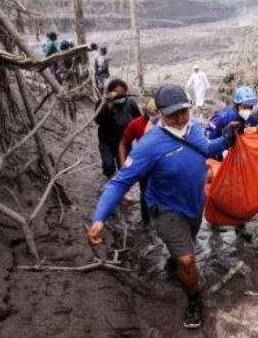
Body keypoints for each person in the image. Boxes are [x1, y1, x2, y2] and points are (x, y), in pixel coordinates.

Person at [88, 84, 237, 329]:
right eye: (172, 114)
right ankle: (193, 300)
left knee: (183, 248)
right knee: (188, 260)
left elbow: (207, 149)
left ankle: (174, 259)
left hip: (194, 205)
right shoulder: (149, 145)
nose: (179, 118)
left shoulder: (195, 128)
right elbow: (119, 182)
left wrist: (227, 139)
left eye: (183, 112)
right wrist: (99, 218)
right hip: (166, 210)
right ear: (160, 113)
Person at [205, 85, 258, 239]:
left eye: (250, 106)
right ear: (236, 105)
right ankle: (214, 222)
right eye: (245, 106)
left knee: (240, 194)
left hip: (240, 163)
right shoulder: (222, 118)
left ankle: (240, 225)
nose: (248, 109)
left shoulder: (252, 120)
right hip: (219, 162)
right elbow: (207, 140)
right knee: (217, 192)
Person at [117, 98, 159, 225]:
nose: (155, 117)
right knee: (145, 193)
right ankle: (146, 221)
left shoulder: (167, 123)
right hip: (145, 165)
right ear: (145, 111)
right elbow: (123, 143)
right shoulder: (136, 124)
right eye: (152, 113)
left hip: (162, 165)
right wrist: (123, 163)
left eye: (157, 113)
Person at [95, 79, 141, 177]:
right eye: (117, 95)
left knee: (123, 168)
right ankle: (109, 178)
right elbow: (98, 120)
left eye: (122, 95)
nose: (120, 98)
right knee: (108, 166)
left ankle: (119, 188)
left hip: (124, 141)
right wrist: (109, 105)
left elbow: (139, 121)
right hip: (106, 140)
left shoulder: (131, 104)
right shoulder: (102, 103)